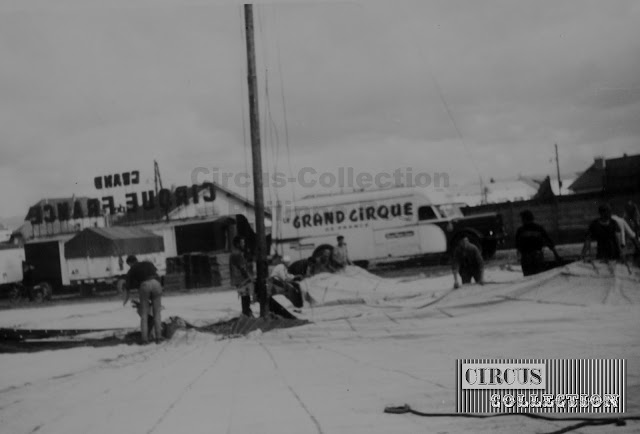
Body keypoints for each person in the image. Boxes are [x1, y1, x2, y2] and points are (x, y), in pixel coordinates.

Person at [124, 255, 163, 344]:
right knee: (157, 313)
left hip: (145, 285)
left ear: (130, 263)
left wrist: (125, 292)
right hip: (156, 284)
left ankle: (145, 340)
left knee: (144, 314)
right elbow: (157, 275)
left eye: (129, 265)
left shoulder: (132, 268)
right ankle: (159, 338)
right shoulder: (148, 263)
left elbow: (128, 285)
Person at [515, 210, 562, 276]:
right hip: (537, 256)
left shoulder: (520, 230)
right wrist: (556, 254)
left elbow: (517, 246)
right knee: (539, 277)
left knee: (528, 278)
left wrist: (520, 255)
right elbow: (549, 242)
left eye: (522, 218)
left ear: (524, 219)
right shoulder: (539, 228)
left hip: (526, 258)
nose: (521, 220)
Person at [230, 236, 254, 317]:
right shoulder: (237, 254)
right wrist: (250, 278)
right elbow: (242, 268)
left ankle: (247, 312)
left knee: (245, 297)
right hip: (241, 279)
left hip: (239, 279)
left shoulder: (237, 253)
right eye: (242, 242)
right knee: (245, 297)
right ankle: (246, 313)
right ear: (237, 244)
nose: (244, 244)